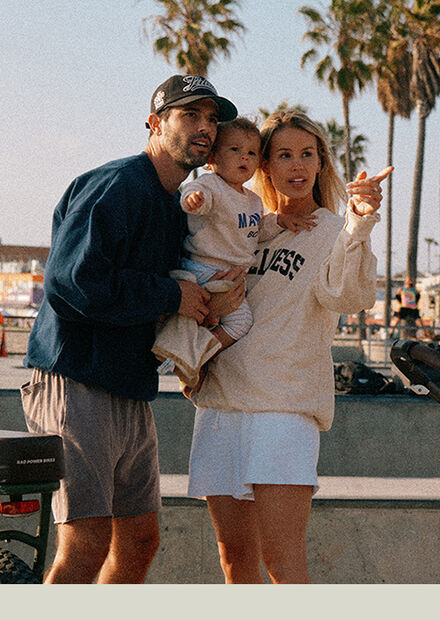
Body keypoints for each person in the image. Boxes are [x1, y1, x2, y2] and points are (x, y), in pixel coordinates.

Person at [20, 74, 242, 584]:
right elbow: (73, 283)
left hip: (130, 385)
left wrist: (209, 301)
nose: (205, 127)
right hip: (74, 377)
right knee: (86, 541)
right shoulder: (118, 184)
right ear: (155, 123)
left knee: (140, 540)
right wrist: (174, 296)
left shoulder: (179, 205)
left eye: (212, 118)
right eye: (190, 115)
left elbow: (170, 288)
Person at [187, 109, 393, 584]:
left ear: (321, 163)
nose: (297, 165)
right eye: (284, 155)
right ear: (265, 166)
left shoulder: (333, 231)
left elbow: (350, 296)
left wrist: (360, 225)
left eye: (307, 154)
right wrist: (192, 360)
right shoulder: (249, 226)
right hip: (220, 404)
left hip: (284, 407)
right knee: (234, 559)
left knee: (283, 562)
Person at [153, 116, 316, 388]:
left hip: (228, 276)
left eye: (252, 153)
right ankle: (188, 356)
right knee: (235, 321)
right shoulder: (211, 186)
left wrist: (280, 221)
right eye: (235, 150)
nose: (245, 158)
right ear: (212, 158)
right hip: (204, 268)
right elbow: (193, 194)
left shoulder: (253, 201)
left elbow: (255, 232)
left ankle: (196, 357)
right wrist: (193, 200)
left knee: (238, 323)